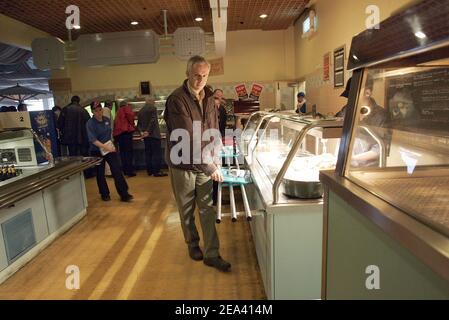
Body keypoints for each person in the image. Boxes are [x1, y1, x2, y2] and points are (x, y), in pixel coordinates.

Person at [164, 55, 231, 272]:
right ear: (187, 74)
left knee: (207, 210)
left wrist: (218, 158)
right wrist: (210, 167)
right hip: (182, 165)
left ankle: (212, 253)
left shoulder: (210, 97)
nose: (200, 80)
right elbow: (188, 139)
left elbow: (213, 130)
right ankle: (192, 244)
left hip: (204, 164)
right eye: (196, 76)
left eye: (204, 76)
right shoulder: (176, 100)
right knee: (186, 210)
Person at [86, 101, 133, 202]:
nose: (99, 112)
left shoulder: (106, 120)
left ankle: (124, 194)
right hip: (97, 150)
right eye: (96, 111)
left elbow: (109, 134)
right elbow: (93, 140)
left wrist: (111, 145)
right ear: (92, 112)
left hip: (108, 149)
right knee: (100, 173)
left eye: (100, 110)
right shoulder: (90, 123)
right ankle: (104, 194)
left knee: (116, 169)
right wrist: (105, 147)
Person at [137, 98, 167, 177]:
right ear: (150, 101)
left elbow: (138, 124)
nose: (154, 103)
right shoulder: (153, 108)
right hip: (154, 135)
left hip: (146, 136)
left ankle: (149, 171)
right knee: (156, 154)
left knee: (148, 154)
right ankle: (156, 171)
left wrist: (142, 132)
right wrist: (148, 131)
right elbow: (153, 120)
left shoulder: (140, 111)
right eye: (153, 101)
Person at [113, 101, 136, 177]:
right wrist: (132, 125)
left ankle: (125, 170)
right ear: (126, 105)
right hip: (126, 133)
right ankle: (130, 171)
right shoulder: (126, 108)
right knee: (128, 153)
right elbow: (131, 117)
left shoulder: (117, 112)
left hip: (119, 135)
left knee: (122, 153)